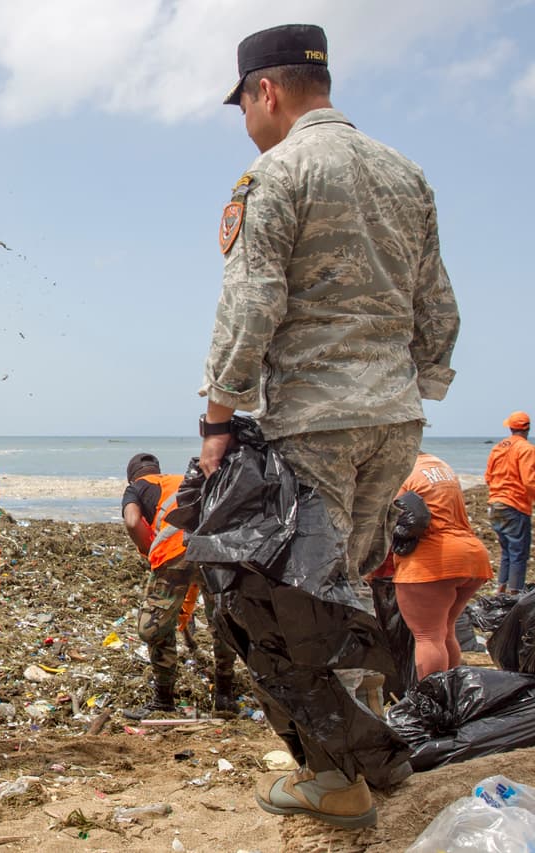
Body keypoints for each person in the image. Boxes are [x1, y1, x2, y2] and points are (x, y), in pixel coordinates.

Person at [198, 24, 459, 827]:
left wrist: (218, 411)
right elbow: (437, 307)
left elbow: (252, 303)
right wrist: (420, 380)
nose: (245, 119)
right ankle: (357, 748)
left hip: (311, 422)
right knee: (351, 586)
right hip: (394, 420)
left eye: (244, 103)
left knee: (295, 604)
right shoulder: (404, 172)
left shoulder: (275, 173)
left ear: (264, 92)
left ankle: (339, 776)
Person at [120, 453, 238, 720]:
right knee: (221, 622)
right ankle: (224, 696)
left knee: (155, 627)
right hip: (214, 552)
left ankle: (163, 700)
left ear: (132, 476)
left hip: (174, 556)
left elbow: (131, 520)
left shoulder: (136, 488)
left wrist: (148, 549)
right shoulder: (182, 480)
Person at [389, 452, 493, 681]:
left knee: (427, 636)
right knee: (444, 632)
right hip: (471, 554)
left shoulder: (400, 469)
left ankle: (432, 703)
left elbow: (395, 520)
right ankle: (451, 696)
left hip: (433, 560)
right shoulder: (437, 464)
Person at [484, 411, 535, 594]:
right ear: (527, 428)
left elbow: (488, 477)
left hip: (495, 504)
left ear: (511, 427)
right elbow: (530, 481)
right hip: (514, 505)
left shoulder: (498, 447)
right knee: (519, 554)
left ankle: (501, 591)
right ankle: (513, 596)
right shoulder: (526, 449)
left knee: (507, 552)